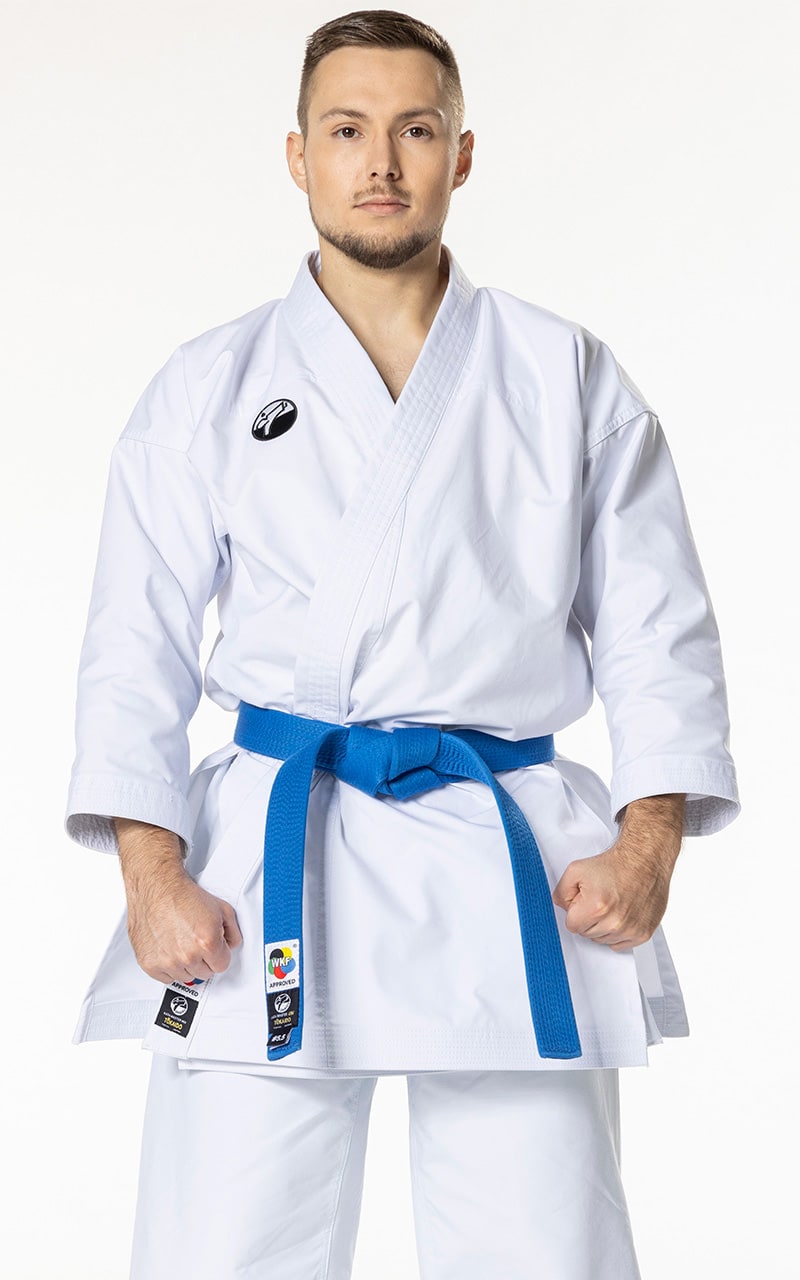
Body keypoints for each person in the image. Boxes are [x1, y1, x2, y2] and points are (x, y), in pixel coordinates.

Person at [65, 10, 739, 1279]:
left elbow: (660, 632)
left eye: (414, 130)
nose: (379, 161)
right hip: (265, 865)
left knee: (545, 1250)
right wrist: (151, 876)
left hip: (509, 860)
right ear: (297, 155)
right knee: (222, 1250)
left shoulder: (562, 373)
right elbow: (130, 647)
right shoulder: (206, 384)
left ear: (460, 154)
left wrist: (647, 842)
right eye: (346, 129)